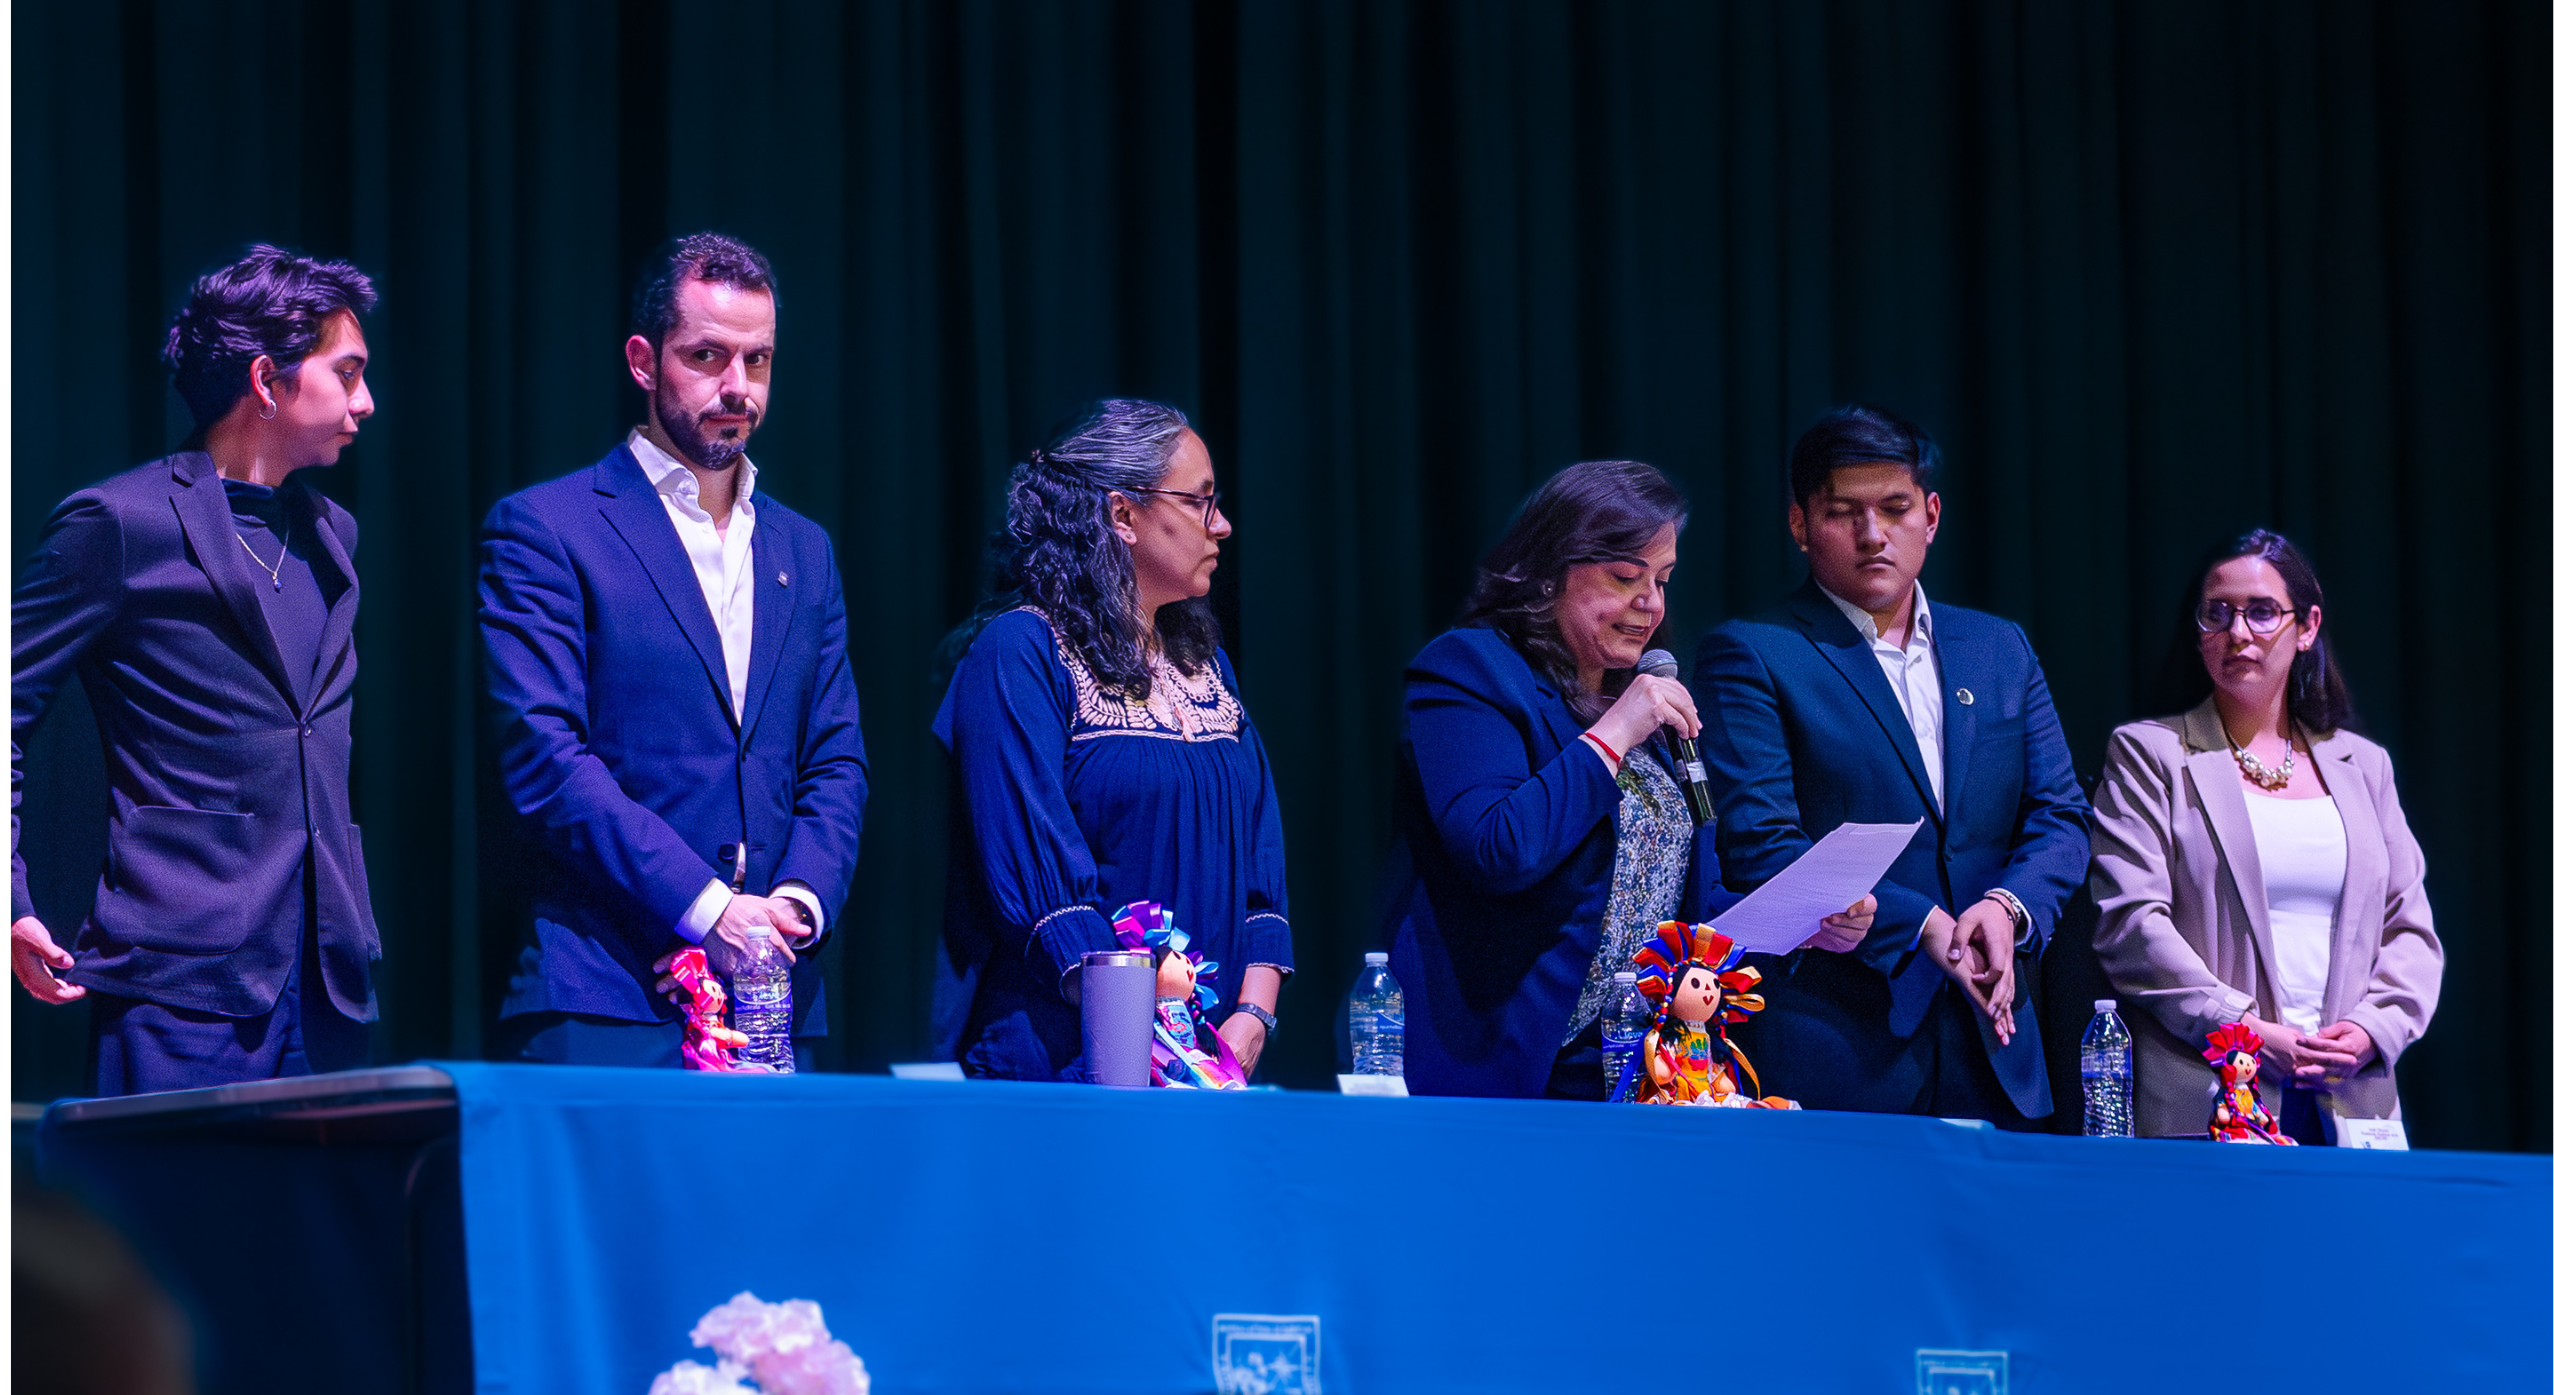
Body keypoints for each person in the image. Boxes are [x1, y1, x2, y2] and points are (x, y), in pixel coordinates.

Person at [479, 233, 867, 1068]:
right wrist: (709, 907)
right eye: (707, 356)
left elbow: (835, 759)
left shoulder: (805, 549)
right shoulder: (548, 528)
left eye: (758, 360)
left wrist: (795, 906)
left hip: (774, 992)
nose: (738, 386)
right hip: (606, 994)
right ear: (643, 361)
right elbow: (545, 758)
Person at [10, 245, 381, 1094]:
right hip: (180, 983)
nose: (366, 400)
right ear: (266, 380)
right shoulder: (120, 523)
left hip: (327, 982)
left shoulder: (333, 535)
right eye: (347, 372)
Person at [1383, 460, 1873, 1100]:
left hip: (1636, 1065)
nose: (1651, 603)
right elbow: (1497, 848)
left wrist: (1801, 923)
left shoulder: (1641, 705)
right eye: (1624, 576)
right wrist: (1612, 735)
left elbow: (1675, 904)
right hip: (1508, 1063)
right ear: (1551, 571)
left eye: (1661, 579)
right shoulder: (1471, 671)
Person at [1697, 406, 2089, 1126]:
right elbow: (1761, 845)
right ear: (1799, 524)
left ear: (1931, 515)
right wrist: (1923, 923)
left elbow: (2060, 815)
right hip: (1839, 1044)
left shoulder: (1998, 647)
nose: (1873, 534)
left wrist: (2008, 907)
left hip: (1995, 1039)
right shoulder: (1753, 651)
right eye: (1843, 512)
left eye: (1895, 508)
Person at [932, 399, 1289, 1081]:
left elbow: (1260, 858)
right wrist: (1148, 1033)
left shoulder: (1206, 665)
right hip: (1071, 1063)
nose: (1222, 524)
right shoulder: (1022, 652)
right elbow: (1039, 880)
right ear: (1123, 515)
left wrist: (1252, 1014)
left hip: (1204, 1063)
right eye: (1200, 501)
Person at [2088, 531, 2442, 1142]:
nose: (2238, 632)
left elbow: (2409, 930)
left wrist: (2372, 1030)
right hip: (2213, 1092)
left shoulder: (2364, 767)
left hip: (2350, 1096)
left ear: (2306, 627)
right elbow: (2131, 922)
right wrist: (2241, 1029)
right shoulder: (2150, 753)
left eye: (2260, 612)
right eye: (2217, 612)